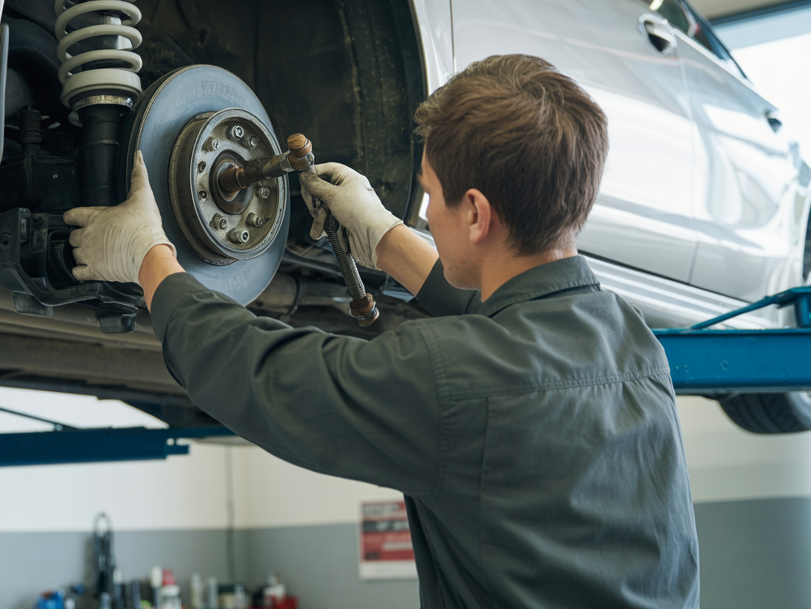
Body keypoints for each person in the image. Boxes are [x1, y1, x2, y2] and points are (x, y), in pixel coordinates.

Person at [64, 54, 700, 608]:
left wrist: (150, 256)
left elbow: (260, 375)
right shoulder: (635, 344)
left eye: (429, 197)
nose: (424, 213)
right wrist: (389, 239)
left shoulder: (454, 384)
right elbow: (522, 335)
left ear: (476, 213)